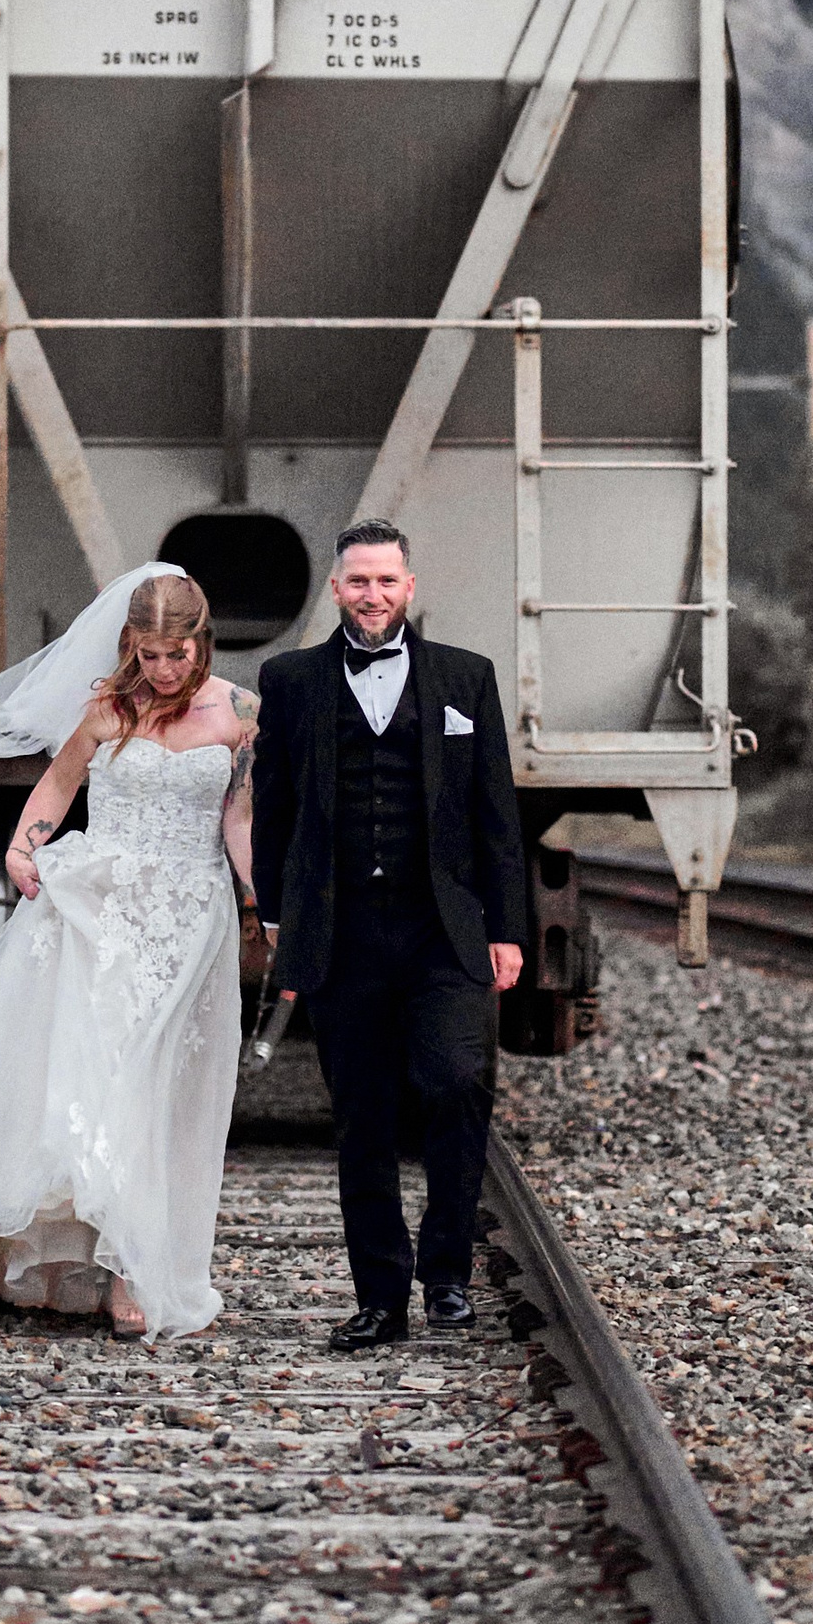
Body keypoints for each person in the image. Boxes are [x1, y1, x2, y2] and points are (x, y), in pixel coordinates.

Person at [0, 564, 255, 1343]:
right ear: (130, 644)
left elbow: (239, 818)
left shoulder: (242, 713)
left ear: (201, 642)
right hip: (96, 912)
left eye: (176, 654)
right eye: (148, 655)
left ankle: (139, 1262)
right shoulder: (107, 709)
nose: (163, 670)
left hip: (188, 918)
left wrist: (258, 899)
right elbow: (58, 786)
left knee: (162, 1087)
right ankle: (108, 1263)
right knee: (100, 1078)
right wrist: (21, 847)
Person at [250, 519, 526, 1349]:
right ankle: (380, 1299)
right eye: (359, 581)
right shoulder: (290, 680)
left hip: (443, 928)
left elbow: (497, 814)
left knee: (456, 1082)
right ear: (336, 589)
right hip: (342, 933)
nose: (373, 595)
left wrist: (507, 928)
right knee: (362, 1117)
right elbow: (274, 806)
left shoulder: (466, 676)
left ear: (409, 587)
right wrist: (275, 912)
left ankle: (446, 1276)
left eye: (386, 580)